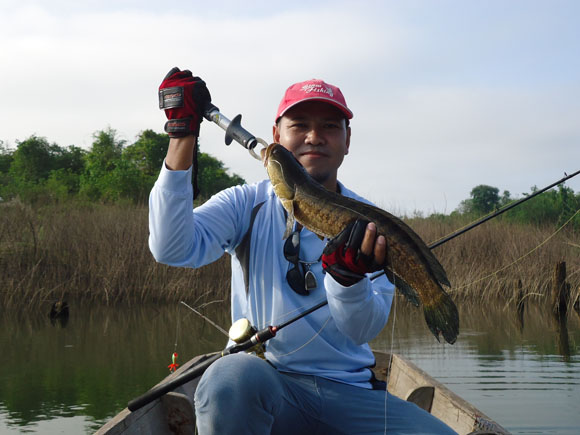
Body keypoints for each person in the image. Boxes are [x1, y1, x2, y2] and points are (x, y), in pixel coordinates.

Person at [149, 68, 456, 434]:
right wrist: (182, 134)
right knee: (227, 377)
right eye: (299, 125)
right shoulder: (246, 204)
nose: (314, 137)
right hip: (266, 386)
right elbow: (171, 247)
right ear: (277, 135)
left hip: (352, 392)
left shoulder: (370, 225)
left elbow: (363, 329)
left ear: (347, 140)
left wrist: (348, 281)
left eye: (329, 126)